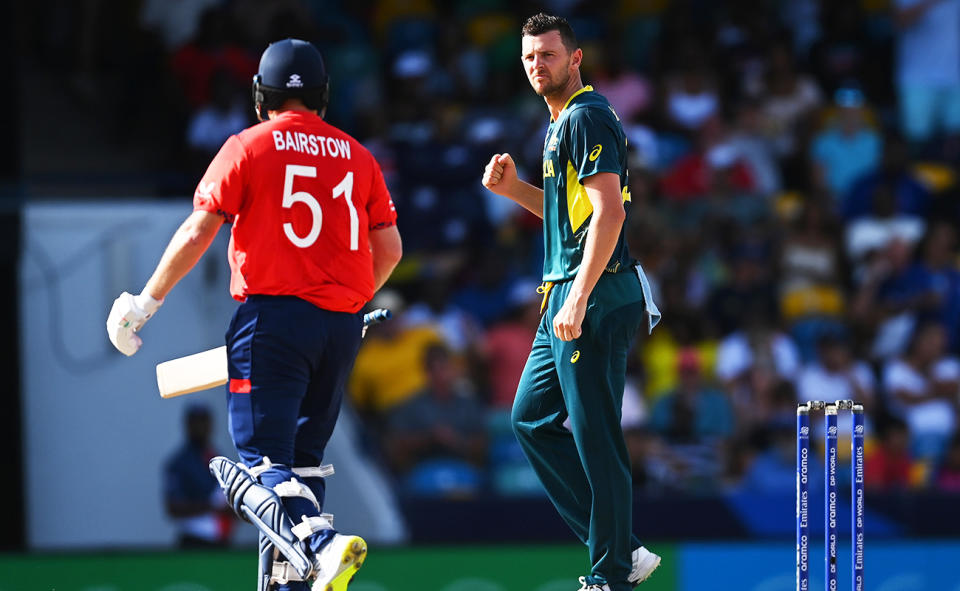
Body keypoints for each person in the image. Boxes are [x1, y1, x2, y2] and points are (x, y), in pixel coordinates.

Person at [106, 39, 402, 591]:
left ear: (260, 95)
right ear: (324, 95)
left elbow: (200, 229)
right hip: (339, 328)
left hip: (271, 321)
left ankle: (320, 543)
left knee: (258, 465)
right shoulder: (358, 157)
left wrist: (143, 303)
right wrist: (346, 301)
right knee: (301, 470)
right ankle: (291, 582)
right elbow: (390, 251)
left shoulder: (247, 146)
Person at [482, 14, 661, 591]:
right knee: (530, 418)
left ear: (575, 58)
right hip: (565, 293)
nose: (539, 65)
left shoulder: (587, 116)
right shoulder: (562, 123)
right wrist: (513, 192)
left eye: (550, 55)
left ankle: (610, 571)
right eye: (531, 57)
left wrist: (578, 297)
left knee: (595, 435)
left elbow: (610, 213)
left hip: (593, 294)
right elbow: (570, 216)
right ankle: (621, 548)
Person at [163, 403, 234, 548]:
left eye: (204, 421)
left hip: (223, 542)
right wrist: (213, 507)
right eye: (196, 422)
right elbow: (173, 507)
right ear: (187, 425)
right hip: (194, 540)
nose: (201, 427)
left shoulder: (218, 458)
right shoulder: (179, 463)